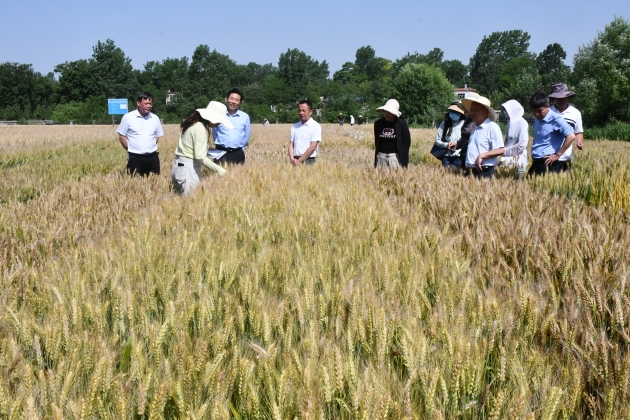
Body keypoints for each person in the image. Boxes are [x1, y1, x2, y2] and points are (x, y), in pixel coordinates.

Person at [171, 102, 233, 196]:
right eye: (219, 121)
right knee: (191, 199)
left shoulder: (193, 124)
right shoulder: (200, 129)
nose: (219, 124)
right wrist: (220, 170)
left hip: (179, 165)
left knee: (180, 199)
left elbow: (190, 145)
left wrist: (206, 148)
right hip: (189, 169)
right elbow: (200, 156)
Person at [449, 95, 504, 179]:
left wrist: (482, 156)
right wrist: (456, 145)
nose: (471, 113)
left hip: (484, 171)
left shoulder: (492, 127)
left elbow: (500, 150)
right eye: (471, 110)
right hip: (470, 171)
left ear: (485, 111)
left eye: (475, 110)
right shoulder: (474, 127)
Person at [528, 91, 576, 176]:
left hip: (548, 163)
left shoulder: (556, 119)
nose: (536, 114)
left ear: (548, 106)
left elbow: (571, 136)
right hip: (536, 162)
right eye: (534, 111)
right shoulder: (537, 120)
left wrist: (557, 155)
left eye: (539, 110)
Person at [116, 92, 164, 177]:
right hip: (135, 157)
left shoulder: (155, 118)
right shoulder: (128, 117)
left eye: (150, 104)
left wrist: (149, 147)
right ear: (138, 103)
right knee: (134, 181)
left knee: (154, 182)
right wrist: (131, 149)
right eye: (146, 103)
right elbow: (122, 137)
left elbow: (157, 137)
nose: (148, 106)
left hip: (152, 157)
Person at [211, 88, 251, 165]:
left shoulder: (245, 117)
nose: (233, 102)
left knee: (239, 173)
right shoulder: (219, 115)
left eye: (237, 100)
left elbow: (246, 136)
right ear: (226, 99)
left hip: (237, 153)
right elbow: (215, 134)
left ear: (240, 103)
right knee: (218, 172)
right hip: (220, 152)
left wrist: (240, 149)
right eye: (231, 99)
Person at [549, 83, 584, 169]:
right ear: (553, 98)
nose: (561, 100)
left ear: (568, 97)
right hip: (548, 156)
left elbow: (578, 132)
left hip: (565, 157)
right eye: (558, 98)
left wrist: (579, 142)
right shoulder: (547, 112)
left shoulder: (575, 112)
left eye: (563, 97)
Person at [373, 99, 411, 169]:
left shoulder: (402, 124)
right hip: (381, 157)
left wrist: (403, 159)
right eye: (386, 111)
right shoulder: (378, 123)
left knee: (396, 176)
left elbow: (406, 142)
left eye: (390, 112)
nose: (387, 114)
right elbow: (377, 141)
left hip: (395, 157)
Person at [498, 99, 529, 178]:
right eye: (504, 110)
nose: (505, 112)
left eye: (506, 110)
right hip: (508, 163)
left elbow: (522, 145)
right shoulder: (510, 123)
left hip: (519, 163)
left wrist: (504, 151)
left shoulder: (522, 123)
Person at [433, 101, 466, 169]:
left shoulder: (465, 124)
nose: (454, 114)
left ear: (460, 113)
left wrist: (457, 146)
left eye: (456, 112)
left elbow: (467, 141)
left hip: (460, 157)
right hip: (447, 157)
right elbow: (437, 140)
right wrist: (447, 145)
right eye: (452, 111)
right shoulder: (444, 124)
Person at [288, 99, 321, 165]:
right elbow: (291, 144)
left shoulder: (315, 126)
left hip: (309, 160)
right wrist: (292, 159)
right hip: (295, 160)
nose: (301, 113)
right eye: (299, 110)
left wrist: (300, 160)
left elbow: (313, 146)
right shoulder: (294, 126)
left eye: (304, 110)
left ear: (310, 112)